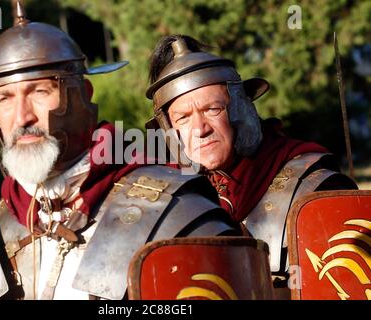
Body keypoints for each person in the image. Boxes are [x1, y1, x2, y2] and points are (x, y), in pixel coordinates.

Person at [0, 6, 237, 300]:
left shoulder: (178, 213)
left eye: (39, 92)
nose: (22, 117)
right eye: (4, 99)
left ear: (83, 95)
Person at [145, 34, 357, 297]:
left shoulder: (314, 188)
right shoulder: (168, 202)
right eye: (183, 118)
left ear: (240, 110)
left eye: (213, 109)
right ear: (169, 131)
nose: (200, 129)